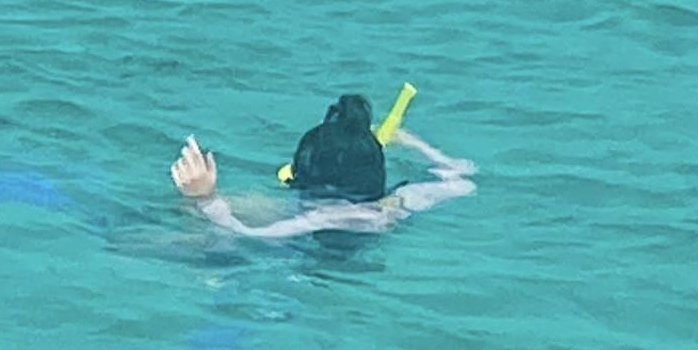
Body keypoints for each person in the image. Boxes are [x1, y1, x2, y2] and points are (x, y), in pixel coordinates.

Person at [171, 93, 475, 240]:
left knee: (233, 216)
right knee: (249, 203)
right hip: (356, 226)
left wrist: (205, 198)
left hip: (309, 258)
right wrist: (414, 143)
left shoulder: (328, 215)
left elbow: (250, 234)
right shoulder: (402, 200)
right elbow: (463, 178)